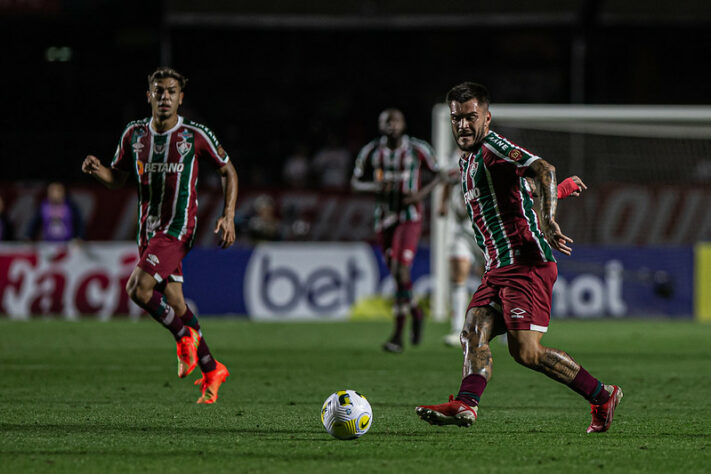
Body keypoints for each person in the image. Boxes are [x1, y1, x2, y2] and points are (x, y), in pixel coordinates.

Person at [415, 82, 622, 433]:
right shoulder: (466, 161)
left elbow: (543, 169)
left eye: (471, 117)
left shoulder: (495, 147)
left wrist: (549, 217)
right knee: (473, 330)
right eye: (457, 118)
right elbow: (521, 195)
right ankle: (466, 404)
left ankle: (603, 395)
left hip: (526, 265)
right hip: (498, 268)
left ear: (486, 118)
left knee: (526, 353)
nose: (463, 125)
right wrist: (557, 194)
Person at [81, 67, 238, 404]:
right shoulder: (134, 135)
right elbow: (118, 178)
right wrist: (98, 171)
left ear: (181, 98)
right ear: (148, 96)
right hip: (149, 229)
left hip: (179, 228)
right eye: (159, 90)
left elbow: (227, 169)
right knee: (177, 302)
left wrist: (228, 216)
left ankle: (184, 338)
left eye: (171, 91)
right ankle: (212, 369)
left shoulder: (194, 135)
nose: (165, 96)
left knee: (138, 288)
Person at [439, 166, 586, 347]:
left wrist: (561, 190)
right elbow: (446, 182)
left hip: (496, 237)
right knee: (459, 276)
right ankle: (456, 329)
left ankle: (508, 325)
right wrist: (443, 203)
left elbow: (530, 184)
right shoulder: (459, 163)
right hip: (464, 231)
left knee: (493, 281)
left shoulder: (494, 158)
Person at [352, 108, 441, 353]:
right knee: (396, 274)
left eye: (396, 120)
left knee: (402, 271)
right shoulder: (371, 150)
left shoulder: (417, 148)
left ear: (403, 124)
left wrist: (419, 196)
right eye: (386, 121)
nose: (391, 125)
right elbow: (355, 181)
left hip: (409, 217)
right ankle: (416, 311)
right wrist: (376, 185)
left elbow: (439, 174)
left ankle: (398, 335)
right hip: (384, 218)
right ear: (380, 125)